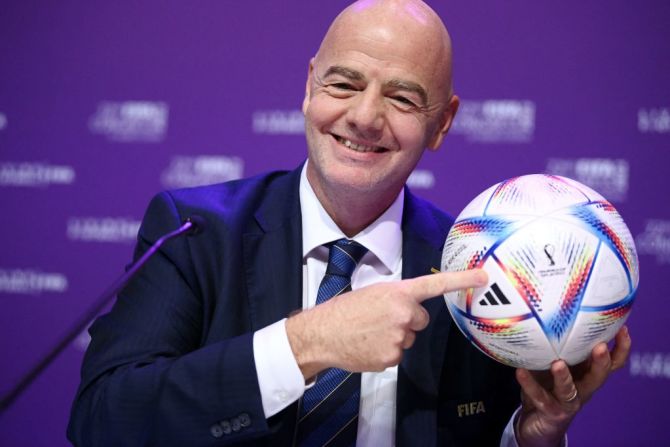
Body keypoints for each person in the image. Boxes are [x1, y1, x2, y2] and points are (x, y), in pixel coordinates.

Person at [67, 1, 631, 446]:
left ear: (443, 123)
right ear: (310, 86)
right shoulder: (193, 231)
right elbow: (103, 421)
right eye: (344, 83)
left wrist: (530, 438)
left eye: (403, 97)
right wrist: (306, 343)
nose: (364, 117)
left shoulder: (480, 271)